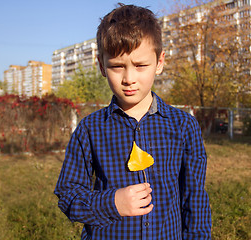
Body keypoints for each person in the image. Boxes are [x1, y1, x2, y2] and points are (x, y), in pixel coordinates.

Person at [54, 3, 211, 239]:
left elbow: (195, 197)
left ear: (159, 62)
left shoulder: (183, 126)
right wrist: (112, 202)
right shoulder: (89, 130)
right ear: (101, 66)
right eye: (117, 67)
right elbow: (68, 195)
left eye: (140, 66)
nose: (129, 78)